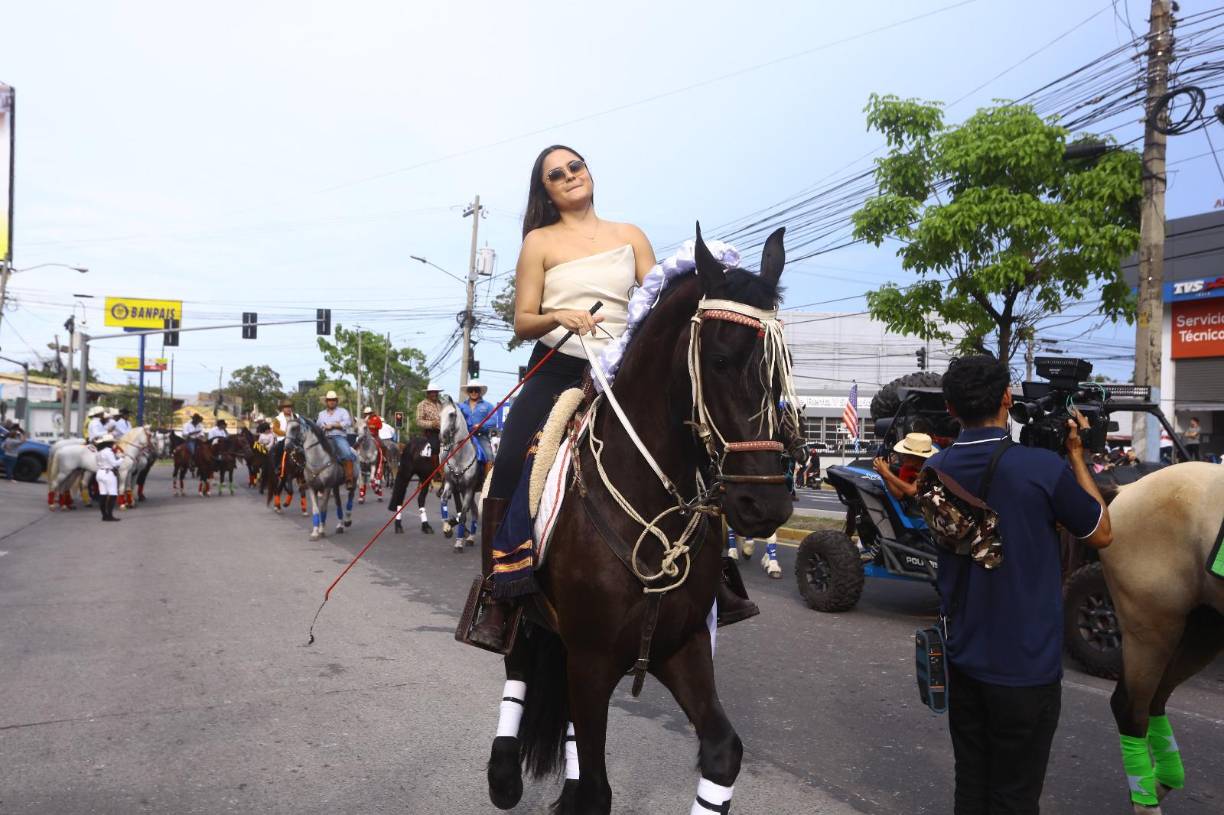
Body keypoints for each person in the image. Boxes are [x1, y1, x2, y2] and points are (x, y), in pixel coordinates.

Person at [467, 144, 757, 652]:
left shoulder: (630, 235)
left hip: (627, 366)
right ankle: (498, 593)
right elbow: (522, 320)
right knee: (513, 457)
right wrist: (561, 316)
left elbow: (657, 302)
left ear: (589, 173)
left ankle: (720, 576)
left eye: (575, 167)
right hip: (562, 364)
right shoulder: (538, 241)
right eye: (556, 175)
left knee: (701, 441)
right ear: (547, 190)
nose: (569, 176)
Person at [925, 355, 1112, 815]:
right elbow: (1102, 532)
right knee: (1016, 797)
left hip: (963, 660)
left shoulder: (935, 471)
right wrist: (1075, 457)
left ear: (951, 406)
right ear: (1007, 397)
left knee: (971, 786)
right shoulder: (1042, 470)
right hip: (1026, 669)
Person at [872, 432, 936, 501]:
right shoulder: (906, 468)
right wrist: (884, 474)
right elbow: (899, 495)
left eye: (907, 455)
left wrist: (886, 472)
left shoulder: (931, 466)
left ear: (918, 457)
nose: (903, 457)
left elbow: (912, 490)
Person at [317, 390, 356, 488]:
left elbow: (347, 423)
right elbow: (317, 426)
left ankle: (349, 479)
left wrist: (334, 425)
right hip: (324, 437)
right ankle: (313, 478)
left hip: (338, 437)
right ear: (326, 402)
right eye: (329, 400)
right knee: (312, 452)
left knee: (347, 453)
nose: (331, 402)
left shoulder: (343, 411)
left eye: (333, 400)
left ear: (337, 401)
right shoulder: (321, 414)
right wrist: (323, 427)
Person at [459, 381, 494, 470]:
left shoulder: (488, 406)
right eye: (471, 390)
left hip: (481, 437)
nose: (474, 392)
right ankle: (442, 478)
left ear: (480, 392)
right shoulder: (461, 406)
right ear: (468, 392)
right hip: (464, 438)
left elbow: (493, 420)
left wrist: (481, 425)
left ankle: (487, 482)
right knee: (448, 455)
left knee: (489, 456)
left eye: (476, 390)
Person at [94, 434, 122, 522]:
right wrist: (122, 458)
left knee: (103, 494)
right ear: (110, 443)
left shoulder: (99, 451)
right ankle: (109, 515)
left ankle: (104, 515)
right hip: (108, 473)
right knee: (113, 495)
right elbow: (114, 464)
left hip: (100, 472)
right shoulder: (108, 451)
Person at [415, 382, 443, 456]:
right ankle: (435, 466)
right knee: (434, 447)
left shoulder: (441, 404)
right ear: (428, 393)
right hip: (431, 433)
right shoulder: (422, 405)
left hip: (444, 432)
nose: (434, 394)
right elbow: (418, 421)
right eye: (432, 392)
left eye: (436, 392)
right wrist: (431, 424)